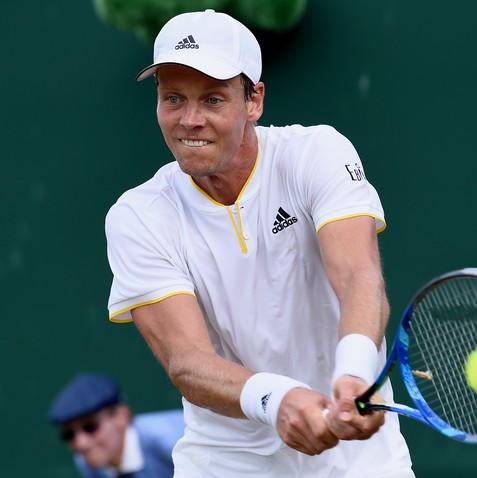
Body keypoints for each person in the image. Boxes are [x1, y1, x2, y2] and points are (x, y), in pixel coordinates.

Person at [105, 9, 414, 477]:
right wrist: (277, 398)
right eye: (172, 98)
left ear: (254, 101)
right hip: (226, 464)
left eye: (212, 99)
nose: (189, 120)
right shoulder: (136, 216)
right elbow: (187, 362)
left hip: (361, 461)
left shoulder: (318, 154)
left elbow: (358, 275)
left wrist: (352, 373)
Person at [48, 372, 184, 478]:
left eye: (90, 427)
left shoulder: (172, 441)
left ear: (122, 416)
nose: (81, 443)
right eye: (69, 435)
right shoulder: (87, 462)